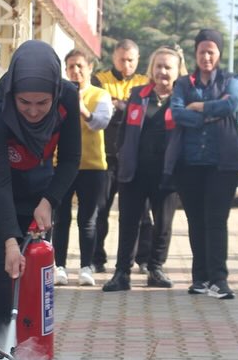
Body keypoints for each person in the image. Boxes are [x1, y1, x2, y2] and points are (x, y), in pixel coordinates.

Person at [0, 40, 81, 343]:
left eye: (42, 103)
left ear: (55, 92)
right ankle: (0, 349)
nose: (33, 111)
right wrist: (10, 241)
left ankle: (32, 347)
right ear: (12, 93)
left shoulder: (68, 96)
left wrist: (49, 201)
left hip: (35, 179)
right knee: (1, 265)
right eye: (24, 102)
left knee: (35, 266)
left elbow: (70, 159)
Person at [167, 28, 238, 300]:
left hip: (222, 163)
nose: (206, 57)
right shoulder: (183, 84)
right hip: (189, 163)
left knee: (216, 220)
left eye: (211, 52)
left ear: (219, 54)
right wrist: (211, 112)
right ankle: (200, 278)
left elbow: (231, 104)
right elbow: (177, 112)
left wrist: (198, 107)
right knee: (196, 220)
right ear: (195, 53)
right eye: (202, 51)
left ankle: (219, 279)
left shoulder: (231, 80)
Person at [102, 46, 184, 292]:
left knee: (163, 224)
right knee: (128, 223)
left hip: (167, 173)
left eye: (168, 67)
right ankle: (122, 273)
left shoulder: (182, 98)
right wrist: (121, 155)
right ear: (151, 68)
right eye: (158, 66)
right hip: (134, 172)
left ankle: (155, 268)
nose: (162, 72)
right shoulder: (138, 94)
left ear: (177, 71)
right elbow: (123, 131)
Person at [53, 49, 112, 287]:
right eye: (70, 67)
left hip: (92, 166)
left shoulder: (100, 95)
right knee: (61, 218)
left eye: (80, 66)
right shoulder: (58, 94)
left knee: (88, 219)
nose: (75, 71)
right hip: (61, 165)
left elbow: (101, 122)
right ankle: (59, 266)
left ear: (90, 68)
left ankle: (86, 266)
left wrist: (82, 108)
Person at [92, 39, 150, 273]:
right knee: (100, 210)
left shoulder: (145, 82)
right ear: (114, 58)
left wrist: (118, 105)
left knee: (142, 213)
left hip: (134, 157)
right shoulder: (100, 80)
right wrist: (126, 106)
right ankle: (96, 258)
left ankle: (144, 259)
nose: (126, 65)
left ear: (138, 60)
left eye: (130, 60)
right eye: (121, 60)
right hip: (106, 157)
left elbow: (143, 112)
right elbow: (101, 110)